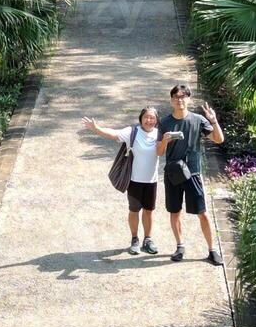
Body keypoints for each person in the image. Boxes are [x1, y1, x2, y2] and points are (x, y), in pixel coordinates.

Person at [156, 83, 225, 266]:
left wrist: (213, 121)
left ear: (188, 98)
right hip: (173, 173)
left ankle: (212, 250)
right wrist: (164, 140)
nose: (180, 100)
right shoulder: (164, 122)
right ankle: (179, 246)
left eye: (183, 96)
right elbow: (158, 152)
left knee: (202, 213)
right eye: (176, 97)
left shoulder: (198, 120)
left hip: (193, 172)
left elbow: (219, 139)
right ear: (171, 100)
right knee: (175, 211)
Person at [81, 107, 162, 255]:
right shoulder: (133, 132)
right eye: (146, 117)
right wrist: (97, 128)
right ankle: (135, 239)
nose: (149, 120)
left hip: (152, 180)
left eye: (152, 118)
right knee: (134, 210)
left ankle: (148, 240)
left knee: (149, 211)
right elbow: (114, 134)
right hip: (134, 180)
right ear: (141, 118)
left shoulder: (159, 134)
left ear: (156, 120)